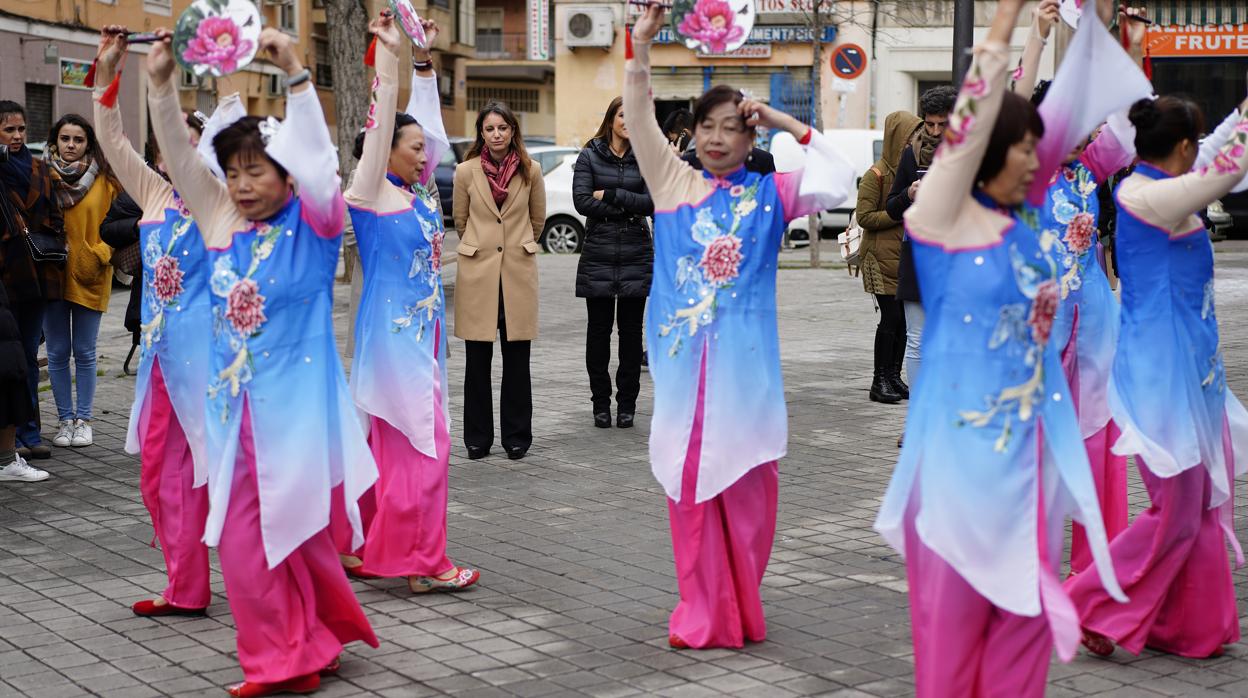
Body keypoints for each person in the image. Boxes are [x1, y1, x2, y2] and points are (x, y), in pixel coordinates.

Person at [873, 0, 1134, 694]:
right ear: (981, 155)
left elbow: (1087, 108)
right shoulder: (941, 222)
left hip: (1030, 474)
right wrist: (1014, 21)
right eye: (1022, 148)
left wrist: (1100, 26)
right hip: (958, 479)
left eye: (1036, 150)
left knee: (1025, 645)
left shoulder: (1026, 223)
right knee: (953, 660)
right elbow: (985, 113)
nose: (1035, 159)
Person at [146, 25, 379, 696]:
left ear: (286, 176)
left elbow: (321, 163)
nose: (243, 184)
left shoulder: (317, 228)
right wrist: (161, 84)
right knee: (255, 544)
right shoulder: (220, 223)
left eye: (258, 170)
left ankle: (299, 647)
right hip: (231, 420)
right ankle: (295, 649)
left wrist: (298, 75)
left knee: (292, 537)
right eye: (236, 171)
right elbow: (183, 162)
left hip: (298, 420)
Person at [627, 4, 855, 649]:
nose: (719, 138)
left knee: (753, 497)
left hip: (749, 379)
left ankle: (741, 606)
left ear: (750, 139)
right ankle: (703, 612)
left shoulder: (771, 196)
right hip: (685, 380)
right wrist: (640, 49)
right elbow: (639, 118)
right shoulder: (673, 186)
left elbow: (839, 177)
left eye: (733, 128)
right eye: (709, 127)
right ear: (693, 134)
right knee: (694, 492)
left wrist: (782, 118)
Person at [1066, 93, 1248, 661]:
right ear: (1183, 148)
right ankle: (1082, 605)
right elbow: (1230, 165)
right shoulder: (1146, 196)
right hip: (1157, 378)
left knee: (1195, 510)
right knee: (1176, 510)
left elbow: (1221, 146)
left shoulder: (1164, 184)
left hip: (1194, 374)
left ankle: (1189, 627)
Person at [92, 27, 245, 618]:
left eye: (189, 139)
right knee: (161, 479)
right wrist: (108, 72)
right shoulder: (153, 197)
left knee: (226, 480)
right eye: (168, 142)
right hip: (158, 368)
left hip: (212, 366)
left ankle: (274, 586)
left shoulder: (221, 202)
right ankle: (185, 586)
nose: (174, 150)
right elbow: (110, 137)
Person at [339, 13, 480, 593]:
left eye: (426, 148)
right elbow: (381, 124)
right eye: (415, 147)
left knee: (391, 445)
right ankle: (424, 563)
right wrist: (388, 57)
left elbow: (429, 130)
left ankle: (368, 548)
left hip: (423, 338)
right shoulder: (370, 190)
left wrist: (423, 62)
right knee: (426, 445)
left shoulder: (416, 194)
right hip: (395, 343)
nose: (427, 156)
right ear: (386, 150)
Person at [1011, 0, 1143, 574]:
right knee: (1032, 447)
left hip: (1094, 332)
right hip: (1036, 335)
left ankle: (1094, 571)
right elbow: (1006, 113)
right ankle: (1026, 567)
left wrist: (1125, 43)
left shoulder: (1091, 168)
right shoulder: (1023, 178)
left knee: (1096, 447)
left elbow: (1127, 119)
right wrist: (1035, 40)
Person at [453, 101, 544, 461]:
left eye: (503, 128)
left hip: (518, 273)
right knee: (477, 361)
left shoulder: (530, 170)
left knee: (517, 361)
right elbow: (461, 222)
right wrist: (482, 246)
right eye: (489, 129)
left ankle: (517, 437)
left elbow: (537, 221)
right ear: (481, 133)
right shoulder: (465, 171)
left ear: (513, 131)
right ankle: (477, 438)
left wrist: (517, 246)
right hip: (478, 273)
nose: (496, 135)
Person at [101, 113, 205, 370]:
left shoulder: (213, 190)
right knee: (160, 373)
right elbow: (108, 229)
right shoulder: (144, 189)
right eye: (169, 149)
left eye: (192, 148)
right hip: (155, 302)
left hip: (202, 305)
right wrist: (138, 226)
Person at [573, 96, 654, 429]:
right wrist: (628, 207)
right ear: (612, 118)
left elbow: (653, 202)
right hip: (599, 252)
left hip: (635, 251)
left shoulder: (647, 157)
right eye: (624, 115)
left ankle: (627, 404)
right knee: (599, 333)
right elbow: (581, 202)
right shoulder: (590, 155)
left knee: (632, 335)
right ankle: (600, 404)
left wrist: (611, 195)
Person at [43, 113, 120, 449]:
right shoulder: (41, 177)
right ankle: (63, 420)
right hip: (51, 275)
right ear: (55, 141)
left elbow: (122, 223)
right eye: (65, 139)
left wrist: (100, 253)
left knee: (86, 352)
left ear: (88, 144)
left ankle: (84, 420)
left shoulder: (105, 180)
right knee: (58, 352)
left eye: (78, 140)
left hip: (91, 275)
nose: (70, 145)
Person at [0, 101, 63, 462]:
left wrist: (47, 236)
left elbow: (56, 213)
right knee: (9, 357)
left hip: (38, 273)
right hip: (7, 274)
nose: (18, 136)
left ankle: (29, 432)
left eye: (22, 129)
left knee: (26, 354)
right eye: (9, 129)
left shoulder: (39, 168)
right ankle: (12, 437)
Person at [885, 85, 958, 384]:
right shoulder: (911, 154)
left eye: (943, 123)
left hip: (958, 257)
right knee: (917, 338)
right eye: (930, 123)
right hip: (918, 256)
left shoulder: (972, 154)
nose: (936, 130)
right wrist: (908, 194)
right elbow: (891, 207)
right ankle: (917, 419)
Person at [855, 110, 921, 405]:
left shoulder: (911, 170)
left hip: (902, 257)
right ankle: (879, 380)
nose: (914, 142)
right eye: (909, 136)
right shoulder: (876, 175)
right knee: (890, 318)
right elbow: (865, 217)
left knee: (904, 321)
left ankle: (894, 376)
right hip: (878, 258)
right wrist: (900, 211)